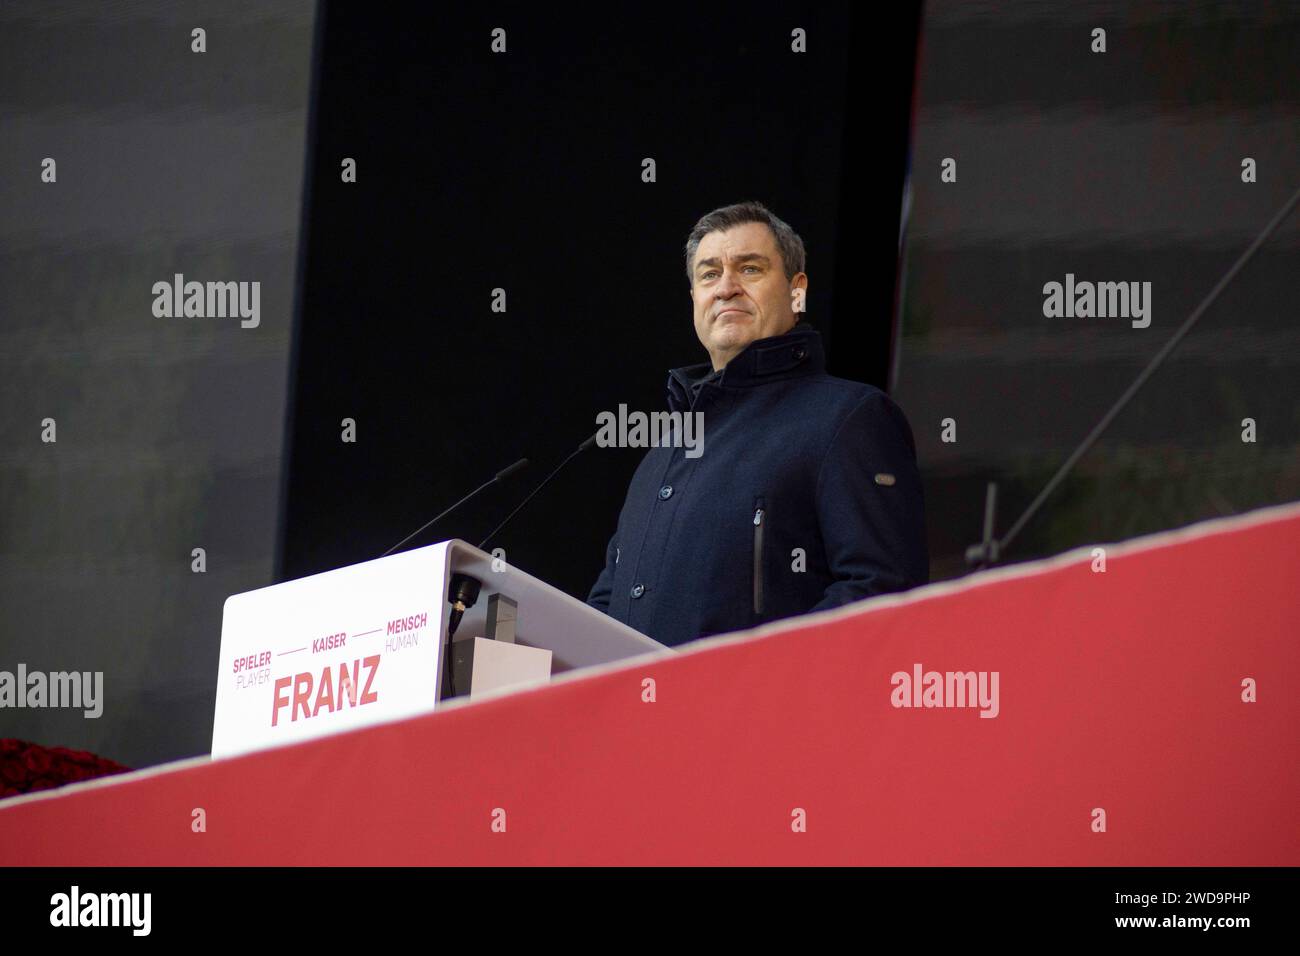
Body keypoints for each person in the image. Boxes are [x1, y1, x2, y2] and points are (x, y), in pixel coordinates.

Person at [586, 201, 928, 647]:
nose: (726, 287)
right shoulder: (662, 454)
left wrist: (747, 684)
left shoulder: (850, 418)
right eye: (709, 274)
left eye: (749, 269)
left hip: (763, 713)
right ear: (694, 299)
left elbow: (882, 590)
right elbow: (602, 610)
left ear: (797, 290)